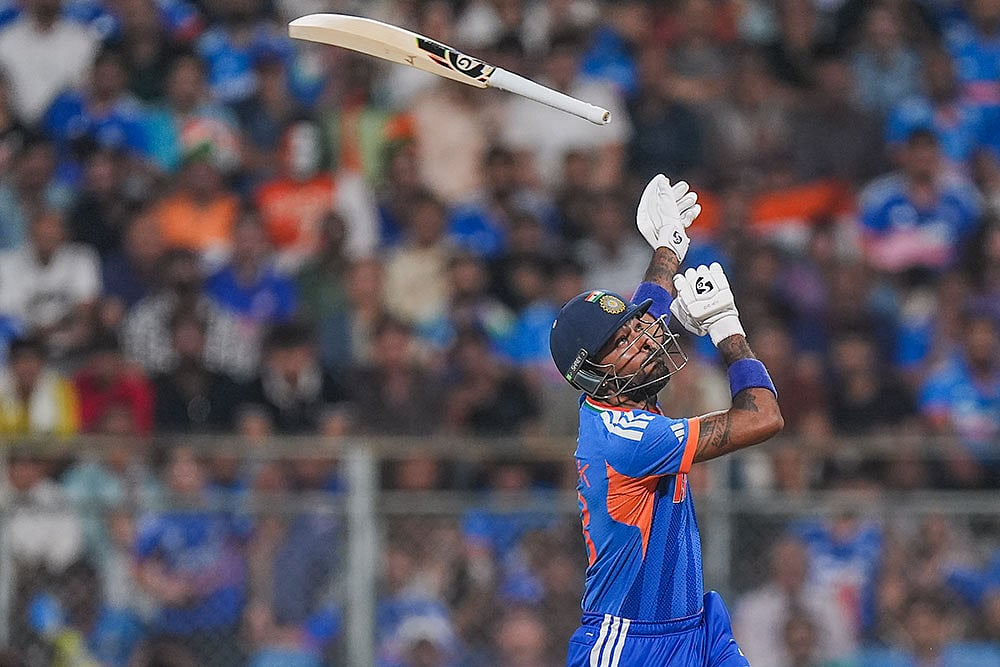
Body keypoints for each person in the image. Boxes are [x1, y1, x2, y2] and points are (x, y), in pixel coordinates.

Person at [548, 174, 783, 665]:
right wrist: (727, 329)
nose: (644, 337)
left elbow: (649, 305)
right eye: (622, 342)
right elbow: (762, 417)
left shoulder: (617, 393)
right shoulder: (629, 439)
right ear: (592, 374)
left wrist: (668, 245)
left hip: (695, 628)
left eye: (633, 326)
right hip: (629, 645)